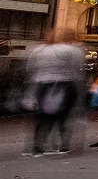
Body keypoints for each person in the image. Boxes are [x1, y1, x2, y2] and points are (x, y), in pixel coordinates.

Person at [22, 29, 87, 157]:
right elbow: (77, 70)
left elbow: (30, 68)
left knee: (42, 116)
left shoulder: (39, 50)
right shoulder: (71, 50)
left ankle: (38, 146)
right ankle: (63, 145)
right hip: (65, 84)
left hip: (42, 84)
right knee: (64, 116)